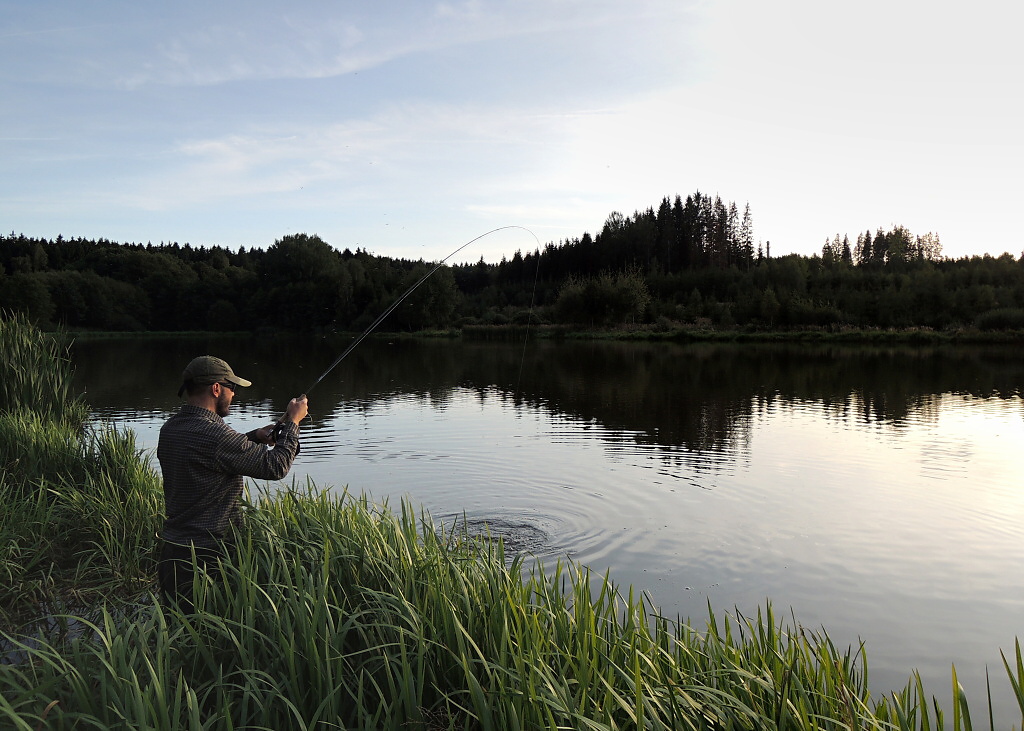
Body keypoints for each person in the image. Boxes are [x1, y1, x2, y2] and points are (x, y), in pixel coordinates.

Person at [157, 355, 308, 612]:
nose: (234, 395)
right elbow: (276, 467)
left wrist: (254, 437)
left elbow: (208, 455)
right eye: (232, 388)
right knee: (212, 636)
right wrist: (293, 423)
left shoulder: (171, 427)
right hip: (207, 557)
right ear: (216, 388)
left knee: (181, 636)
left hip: (173, 552)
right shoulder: (215, 434)